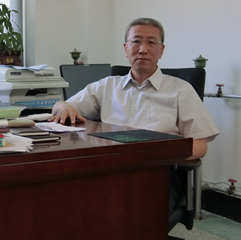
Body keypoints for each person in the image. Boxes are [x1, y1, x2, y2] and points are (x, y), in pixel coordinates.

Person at [49, 17, 220, 211]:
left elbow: (200, 145)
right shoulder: (107, 86)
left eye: (151, 42)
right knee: (70, 204)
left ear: (161, 50)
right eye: (136, 41)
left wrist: (155, 153)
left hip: (155, 174)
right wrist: (64, 108)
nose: (143, 49)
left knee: (133, 213)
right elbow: (61, 105)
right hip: (106, 169)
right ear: (126, 48)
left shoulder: (181, 90)